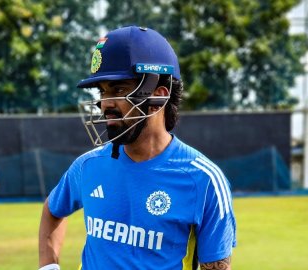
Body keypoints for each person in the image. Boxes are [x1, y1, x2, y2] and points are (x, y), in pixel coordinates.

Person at [38, 26, 236, 270]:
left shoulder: (204, 180)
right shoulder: (88, 166)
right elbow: (53, 209)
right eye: (102, 91)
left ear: (158, 98)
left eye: (118, 90)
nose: (104, 103)